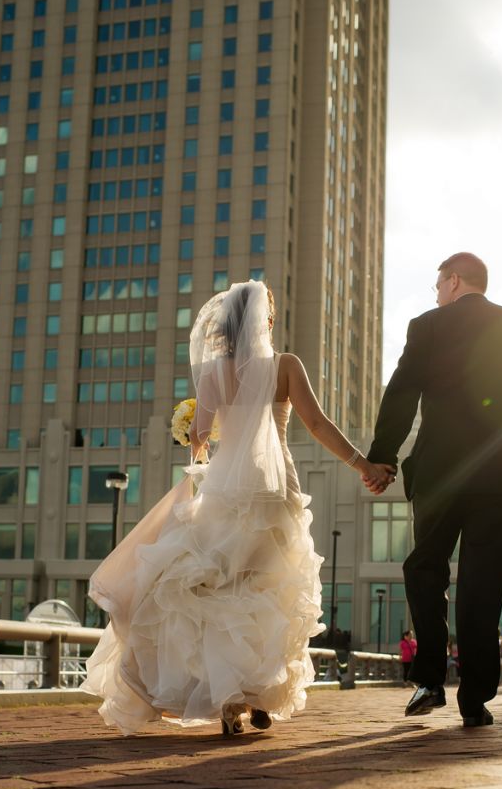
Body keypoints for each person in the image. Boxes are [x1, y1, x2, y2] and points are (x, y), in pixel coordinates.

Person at [81, 280, 394, 736]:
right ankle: (257, 693)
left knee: (221, 594)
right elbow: (317, 423)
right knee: (269, 593)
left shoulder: (213, 372)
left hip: (226, 490)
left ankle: (230, 697)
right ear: (266, 321)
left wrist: (196, 445)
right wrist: (362, 464)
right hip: (273, 489)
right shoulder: (286, 365)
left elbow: (200, 437)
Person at [366, 252, 502, 727]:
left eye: (438, 285)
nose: (437, 294)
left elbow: (402, 391)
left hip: (440, 475)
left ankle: (430, 678)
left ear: (454, 281)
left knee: (425, 567)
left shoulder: (428, 326)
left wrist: (383, 456)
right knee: (484, 586)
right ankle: (474, 699)